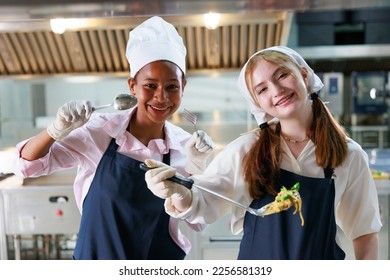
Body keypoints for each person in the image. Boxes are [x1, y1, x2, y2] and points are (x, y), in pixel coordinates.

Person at [143, 46, 382, 260]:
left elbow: (364, 232)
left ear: (304, 75)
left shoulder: (349, 155)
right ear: (257, 103)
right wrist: (177, 191)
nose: (276, 90)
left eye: (282, 75)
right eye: (262, 89)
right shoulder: (246, 150)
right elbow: (202, 201)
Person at [12, 16, 215, 260]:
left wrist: (194, 172)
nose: (161, 97)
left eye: (172, 86)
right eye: (150, 85)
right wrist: (54, 131)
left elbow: (198, 223)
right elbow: (25, 167)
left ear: (183, 86)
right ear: (132, 86)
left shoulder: (186, 146)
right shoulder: (98, 131)